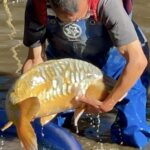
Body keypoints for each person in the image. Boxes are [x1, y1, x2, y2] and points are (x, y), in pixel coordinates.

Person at [22, 0, 150, 148]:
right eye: (65, 20)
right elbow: (34, 60)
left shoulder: (108, 4)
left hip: (114, 64)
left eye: (78, 18)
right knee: (48, 128)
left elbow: (137, 61)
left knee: (134, 129)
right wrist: (27, 103)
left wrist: (109, 103)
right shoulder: (37, 5)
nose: (73, 24)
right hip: (65, 67)